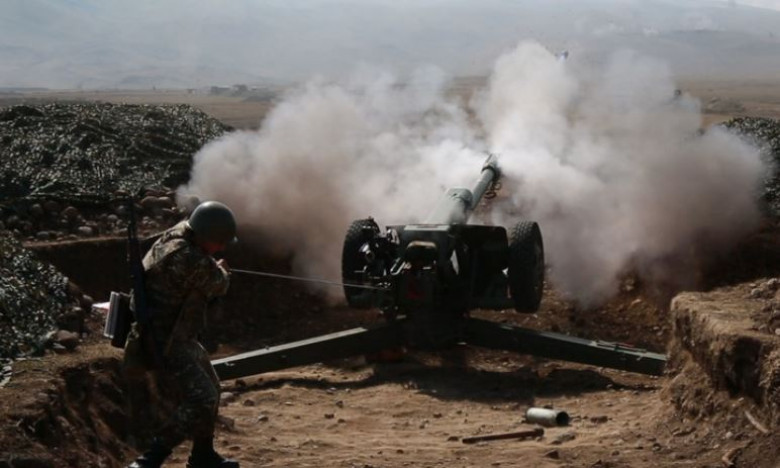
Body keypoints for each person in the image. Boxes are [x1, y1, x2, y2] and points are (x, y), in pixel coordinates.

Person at [124, 201, 240, 468]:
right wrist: (222, 270)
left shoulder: (176, 234)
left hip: (176, 333)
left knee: (212, 387)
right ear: (206, 236)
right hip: (166, 340)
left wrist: (212, 264)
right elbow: (219, 285)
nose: (221, 248)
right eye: (219, 242)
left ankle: (202, 456)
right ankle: (150, 459)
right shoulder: (189, 259)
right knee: (202, 398)